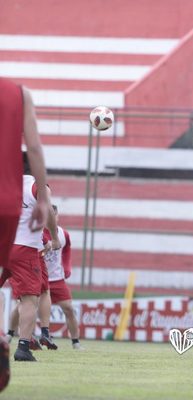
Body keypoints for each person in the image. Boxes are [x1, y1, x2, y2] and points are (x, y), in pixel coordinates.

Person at [0, 78, 53, 387]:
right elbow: (33, 146)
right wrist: (43, 201)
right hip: (7, 207)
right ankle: (18, 345)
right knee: (30, 296)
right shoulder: (19, 94)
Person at [4, 153, 60, 362]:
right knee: (30, 299)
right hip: (24, 249)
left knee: (20, 298)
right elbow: (49, 215)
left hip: (5, 247)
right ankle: (23, 347)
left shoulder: (7, 185)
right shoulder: (37, 186)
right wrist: (54, 239)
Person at [43, 205, 82, 350]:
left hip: (57, 279)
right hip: (39, 278)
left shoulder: (63, 234)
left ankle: (76, 342)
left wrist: (66, 267)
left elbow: (67, 251)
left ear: (57, 216)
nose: (52, 219)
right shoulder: (37, 233)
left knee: (69, 309)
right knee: (24, 307)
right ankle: (13, 335)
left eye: (54, 215)